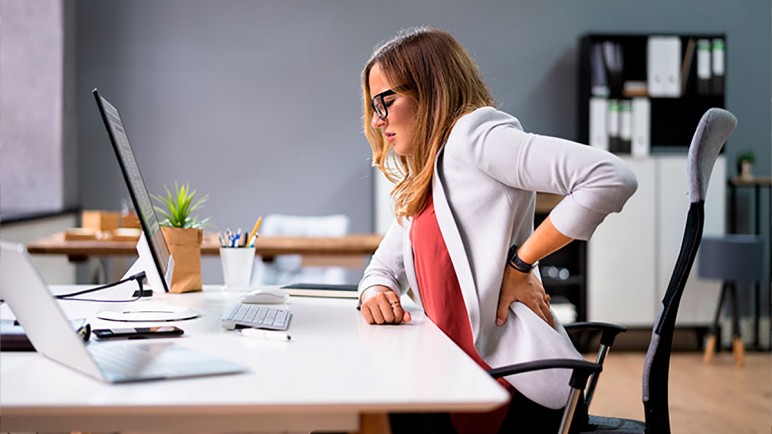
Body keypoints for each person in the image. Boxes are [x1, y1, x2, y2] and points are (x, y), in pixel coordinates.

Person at [357, 27, 637, 434]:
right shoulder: (428, 177)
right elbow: (382, 269)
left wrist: (521, 264)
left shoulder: (476, 136)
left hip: (513, 386)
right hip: (457, 379)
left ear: (430, 89)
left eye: (386, 101)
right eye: (373, 105)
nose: (377, 119)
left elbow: (611, 176)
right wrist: (376, 293)